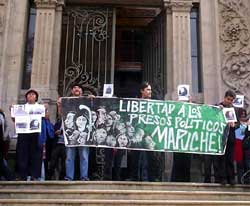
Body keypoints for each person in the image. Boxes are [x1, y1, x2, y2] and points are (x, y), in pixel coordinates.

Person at [204, 90, 236, 185]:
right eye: (228, 99)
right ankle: (223, 178)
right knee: (221, 159)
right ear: (224, 97)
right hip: (220, 137)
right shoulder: (217, 107)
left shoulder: (234, 110)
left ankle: (231, 178)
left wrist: (234, 125)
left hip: (230, 137)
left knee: (230, 159)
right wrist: (218, 110)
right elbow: (210, 118)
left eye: (231, 100)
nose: (229, 101)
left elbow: (238, 124)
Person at [64, 83, 91, 181]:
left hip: (84, 133)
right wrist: (59, 104)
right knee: (69, 157)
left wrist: (94, 99)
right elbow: (61, 115)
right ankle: (69, 177)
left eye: (79, 88)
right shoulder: (66, 101)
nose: (77, 89)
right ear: (72, 91)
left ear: (82, 91)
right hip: (71, 134)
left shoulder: (87, 101)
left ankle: (84, 176)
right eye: (74, 87)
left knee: (84, 156)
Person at [15, 89, 43, 180]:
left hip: (35, 133)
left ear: (36, 97)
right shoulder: (21, 107)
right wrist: (12, 111)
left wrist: (45, 110)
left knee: (35, 154)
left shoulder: (40, 107)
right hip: (23, 133)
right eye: (29, 94)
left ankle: (34, 175)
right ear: (26, 97)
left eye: (33, 94)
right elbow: (15, 120)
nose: (31, 96)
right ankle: (22, 175)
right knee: (22, 154)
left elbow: (46, 117)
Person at [0, 109, 15, 180]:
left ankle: (10, 177)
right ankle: (10, 177)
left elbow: (7, 126)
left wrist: (4, 137)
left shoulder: (2, 114)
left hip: (2, 141)